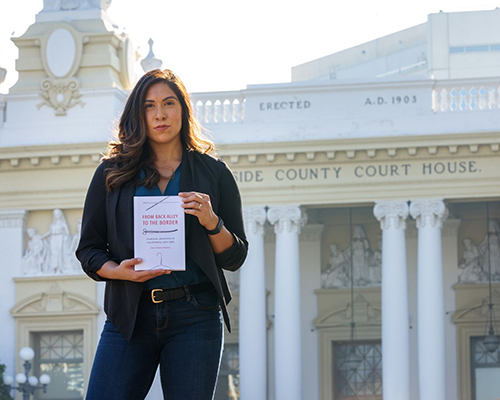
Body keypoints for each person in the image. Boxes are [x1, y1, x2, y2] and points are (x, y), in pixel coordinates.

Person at [76, 69, 248, 400]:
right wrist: (118, 271)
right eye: (149, 106)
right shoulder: (112, 174)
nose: (160, 114)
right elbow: (89, 249)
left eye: (169, 103)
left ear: (183, 110)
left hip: (195, 316)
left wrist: (212, 221)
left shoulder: (214, 173)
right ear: (138, 114)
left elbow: (235, 257)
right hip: (130, 314)